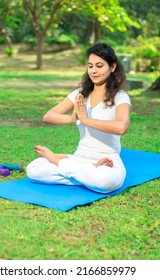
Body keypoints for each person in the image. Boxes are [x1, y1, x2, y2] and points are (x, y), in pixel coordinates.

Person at [26, 43, 131, 193]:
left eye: (99, 66)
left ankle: (60, 162)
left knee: (106, 181)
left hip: (107, 160)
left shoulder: (120, 97)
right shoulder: (80, 94)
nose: (93, 71)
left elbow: (121, 127)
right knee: (34, 169)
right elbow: (48, 116)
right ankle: (87, 173)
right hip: (79, 158)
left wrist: (86, 119)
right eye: (90, 66)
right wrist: (72, 118)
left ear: (112, 67)